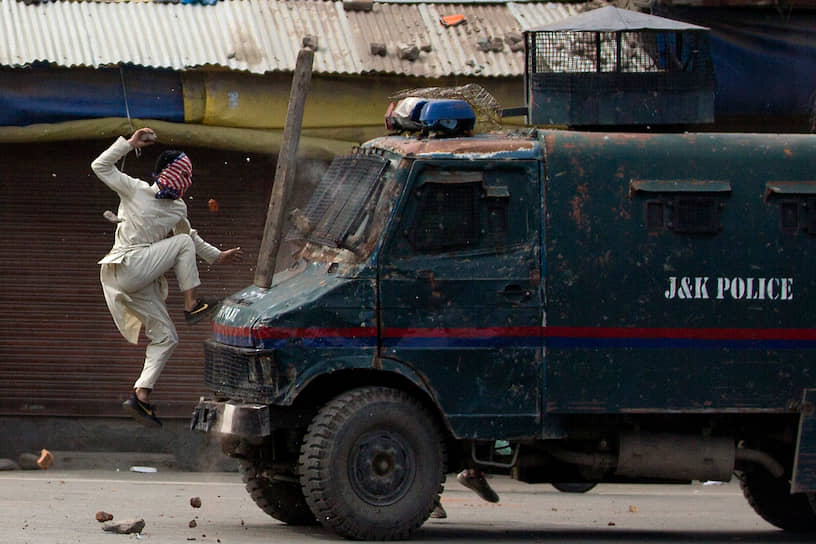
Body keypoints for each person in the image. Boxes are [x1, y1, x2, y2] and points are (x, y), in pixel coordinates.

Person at [92, 127, 243, 428]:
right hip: (124, 266)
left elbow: (189, 237)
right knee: (181, 245)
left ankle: (141, 396)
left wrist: (217, 256)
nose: (187, 181)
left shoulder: (177, 207)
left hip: (140, 278)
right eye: (183, 174)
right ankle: (191, 304)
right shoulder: (135, 189)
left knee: (166, 337)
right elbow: (100, 166)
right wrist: (130, 144)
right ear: (167, 173)